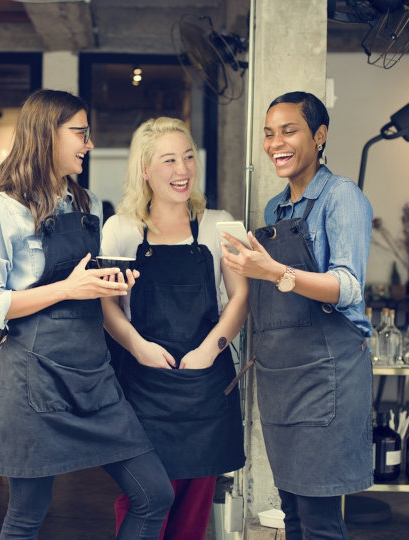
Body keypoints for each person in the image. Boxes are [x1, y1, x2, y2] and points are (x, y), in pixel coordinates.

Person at [0, 89, 174, 540]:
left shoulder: (87, 204)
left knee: (155, 495)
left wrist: (109, 283)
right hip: (33, 378)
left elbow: (87, 283)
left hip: (92, 374)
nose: (88, 144)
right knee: (27, 515)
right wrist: (68, 288)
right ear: (47, 136)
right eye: (80, 133)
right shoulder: (1, 212)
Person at [221, 91, 373, 540]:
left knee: (320, 519)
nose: (276, 143)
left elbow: (347, 287)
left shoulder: (341, 197)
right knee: (290, 513)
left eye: (289, 131)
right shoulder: (275, 209)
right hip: (281, 375)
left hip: (326, 375)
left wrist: (275, 270)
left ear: (319, 136)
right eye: (269, 134)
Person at [101, 117, 249, 540]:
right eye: (169, 160)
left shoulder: (220, 225)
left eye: (188, 157)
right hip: (142, 387)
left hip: (205, 387)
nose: (182, 170)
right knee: (144, 499)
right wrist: (138, 346)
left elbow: (239, 299)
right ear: (145, 169)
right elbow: (108, 307)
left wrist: (211, 349)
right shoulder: (121, 229)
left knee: (193, 509)